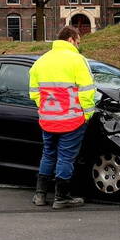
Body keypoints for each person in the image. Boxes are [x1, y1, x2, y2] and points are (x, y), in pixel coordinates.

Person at [28, 25, 95, 210]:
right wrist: (87, 114)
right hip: (71, 119)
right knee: (66, 158)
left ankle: (40, 195)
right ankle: (61, 197)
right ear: (71, 39)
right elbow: (87, 91)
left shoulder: (41, 61)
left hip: (48, 119)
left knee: (48, 154)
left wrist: (46, 109)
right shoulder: (78, 60)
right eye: (78, 42)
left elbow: (34, 92)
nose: (78, 46)